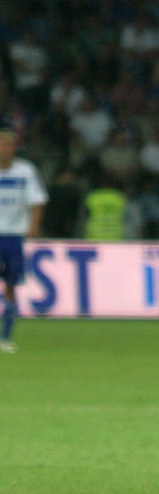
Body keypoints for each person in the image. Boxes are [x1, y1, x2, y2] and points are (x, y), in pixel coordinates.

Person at [0, 127, 47, 352]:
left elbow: (37, 200)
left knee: (11, 286)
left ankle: (6, 337)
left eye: (6, 144)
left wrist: (34, 226)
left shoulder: (25, 171)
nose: (2, 148)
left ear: (14, 148)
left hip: (14, 236)